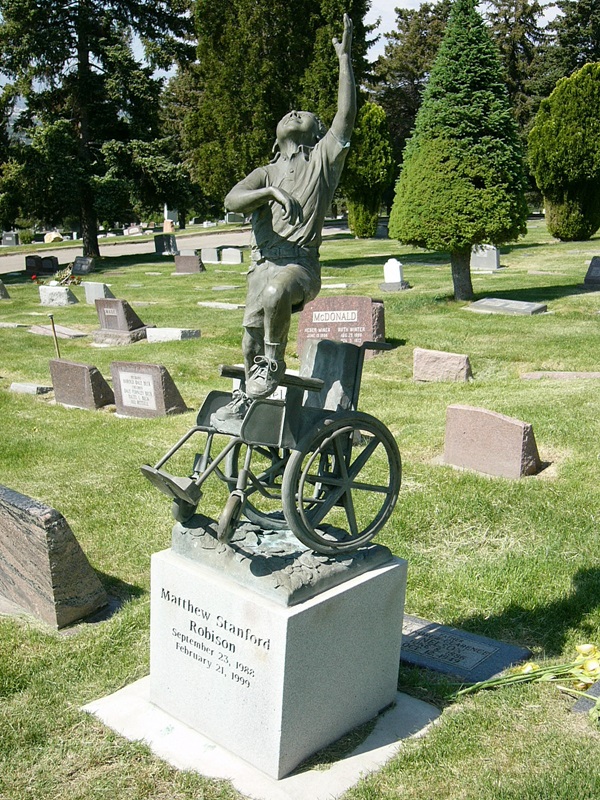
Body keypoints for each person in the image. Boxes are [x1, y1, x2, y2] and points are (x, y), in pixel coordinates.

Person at [217, 14, 356, 419]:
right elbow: (232, 200)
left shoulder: (323, 161)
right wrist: (270, 191)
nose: (294, 112)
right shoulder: (266, 172)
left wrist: (344, 61)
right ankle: (249, 400)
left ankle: (273, 368)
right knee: (248, 343)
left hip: (300, 266)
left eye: (304, 114)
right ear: (276, 138)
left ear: (316, 133)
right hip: (261, 265)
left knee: (277, 295)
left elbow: (345, 118)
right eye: (287, 114)